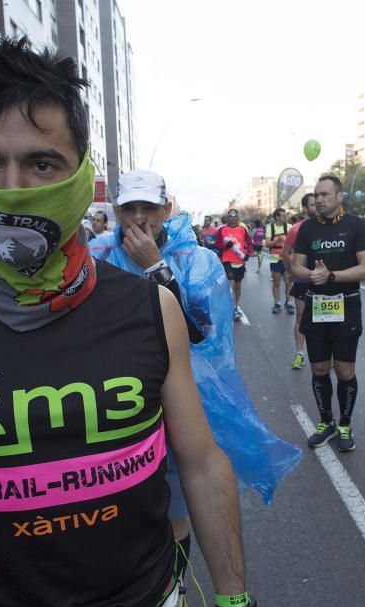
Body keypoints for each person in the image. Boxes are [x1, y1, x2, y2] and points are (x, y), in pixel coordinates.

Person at [0, 38, 258, 607]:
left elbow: (203, 462)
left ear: (82, 176)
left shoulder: (150, 310)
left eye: (42, 165)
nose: (13, 189)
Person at [90, 168, 300, 585]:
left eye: (147, 208)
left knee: (174, 509)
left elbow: (202, 336)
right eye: (127, 208)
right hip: (112, 405)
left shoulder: (197, 259)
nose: (137, 219)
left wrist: (155, 269)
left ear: (166, 209)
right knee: (118, 508)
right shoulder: (96, 254)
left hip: (179, 400)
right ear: (115, 211)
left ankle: (174, 588)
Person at [290, 176, 365, 452]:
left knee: (345, 371)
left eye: (325, 194)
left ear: (339, 197)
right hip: (316, 306)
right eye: (316, 195)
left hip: (347, 305)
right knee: (319, 368)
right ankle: (326, 422)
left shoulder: (357, 226)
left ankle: (345, 423)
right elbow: (296, 267)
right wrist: (312, 274)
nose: (319, 199)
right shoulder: (307, 229)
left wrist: (332, 275)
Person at [281, 192, 316, 369]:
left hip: (324, 281)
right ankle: (299, 353)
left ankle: (329, 353)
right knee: (301, 316)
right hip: (303, 281)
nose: (317, 206)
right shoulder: (297, 229)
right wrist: (291, 271)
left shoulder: (329, 226)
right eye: (312, 204)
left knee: (325, 319)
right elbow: (285, 253)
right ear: (304, 208)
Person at [217, 208, 252, 321]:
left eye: (235, 216)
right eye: (230, 216)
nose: (233, 218)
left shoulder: (242, 229)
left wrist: (248, 254)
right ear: (227, 218)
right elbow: (217, 245)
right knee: (231, 285)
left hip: (240, 261)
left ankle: (236, 306)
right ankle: (232, 308)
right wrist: (225, 247)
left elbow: (249, 243)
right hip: (227, 260)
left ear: (238, 218)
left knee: (238, 286)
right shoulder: (222, 230)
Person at [265, 208, 292, 314]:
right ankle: (277, 303)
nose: (285, 217)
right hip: (274, 257)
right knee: (276, 281)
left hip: (287, 256)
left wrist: (286, 241)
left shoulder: (289, 227)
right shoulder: (270, 228)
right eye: (283, 215)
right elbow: (267, 244)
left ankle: (289, 302)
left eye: (285, 215)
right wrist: (277, 240)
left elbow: (294, 243)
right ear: (277, 217)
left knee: (288, 281)